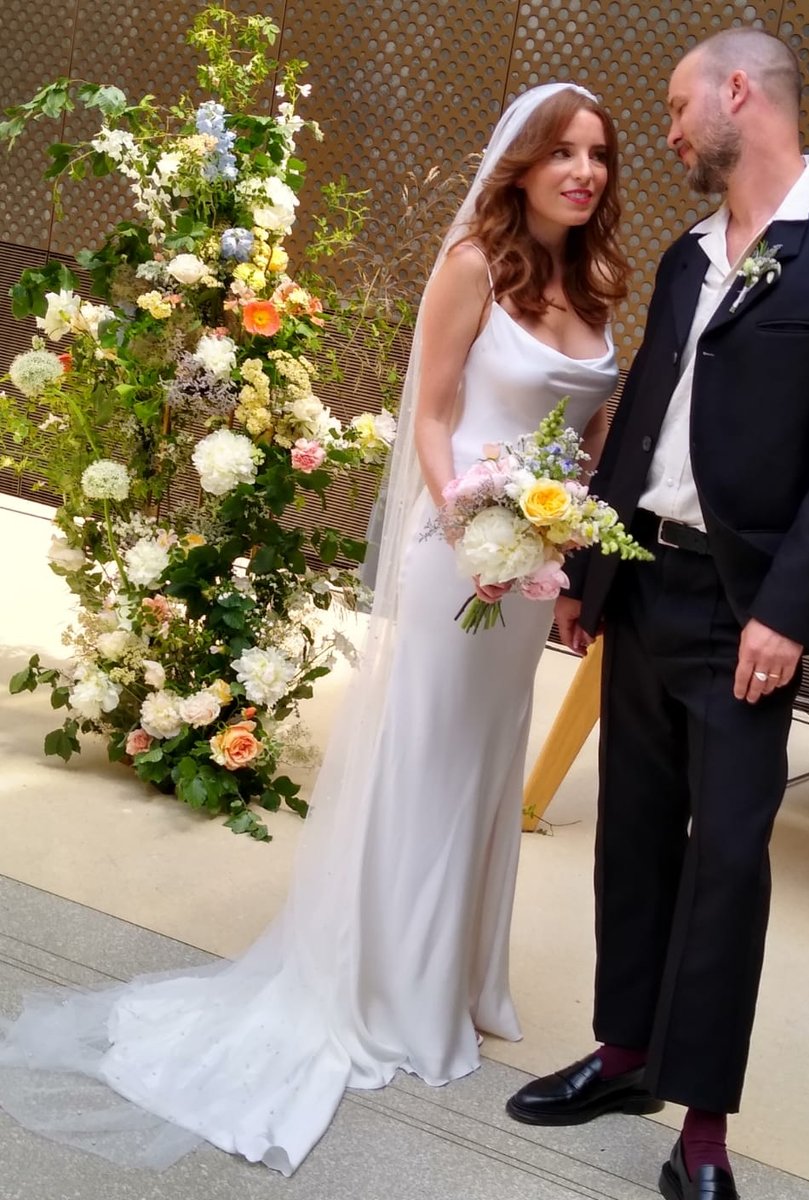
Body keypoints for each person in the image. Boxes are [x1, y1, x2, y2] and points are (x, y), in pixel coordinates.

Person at [0, 82, 626, 1176]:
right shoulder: (472, 263)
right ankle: (388, 991)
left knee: (485, 770)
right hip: (463, 562)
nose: (584, 172)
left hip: (531, 573)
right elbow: (430, 415)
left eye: (599, 156)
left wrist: (557, 540)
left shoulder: (597, 278)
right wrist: (472, 521)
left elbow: (584, 437)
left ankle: (457, 977)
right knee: (424, 762)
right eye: (562, 153)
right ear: (519, 162)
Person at [506, 29, 809, 1200]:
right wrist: (592, 576)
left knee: (726, 860)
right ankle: (625, 1053)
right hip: (645, 581)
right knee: (630, 835)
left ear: (737, 92)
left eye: (676, 105)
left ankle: (700, 1124)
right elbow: (642, 419)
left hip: (751, 613)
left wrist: (787, 614)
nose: (670, 129)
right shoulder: (692, 255)